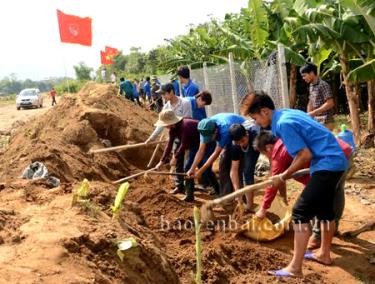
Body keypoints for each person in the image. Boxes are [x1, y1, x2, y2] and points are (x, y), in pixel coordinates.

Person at [246, 91, 347, 277]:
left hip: (328, 163)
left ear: (265, 111)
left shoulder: (283, 124)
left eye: (255, 118)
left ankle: (294, 268)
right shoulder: (288, 113)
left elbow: (304, 155)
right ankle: (324, 254)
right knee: (325, 210)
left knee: (300, 212)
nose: (257, 123)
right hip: (334, 160)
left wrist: (283, 175)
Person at [253, 131, 353, 249]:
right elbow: (280, 179)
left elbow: (273, 185)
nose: (266, 157)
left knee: (320, 198)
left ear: (268, 148)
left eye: (264, 154)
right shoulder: (284, 140)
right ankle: (332, 227)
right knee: (335, 192)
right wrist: (284, 198)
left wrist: (263, 209)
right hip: (343, 151)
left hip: (331, 159)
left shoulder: (278, 153)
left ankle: (317, 236)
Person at [154, 110, 219, 202]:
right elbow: (169, 144)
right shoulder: (173, 129)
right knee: (188, 168)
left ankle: (218, 190)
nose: (165, 126)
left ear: (171, 122)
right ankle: (189, 195)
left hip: (207, 143)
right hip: (194, 145)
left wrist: (175, 157)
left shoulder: (185, 126)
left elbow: (184, 145)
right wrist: (162, 161)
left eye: (165, 124)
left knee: (204, 167)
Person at [146, 83, 192, 194]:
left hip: (187, 136)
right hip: (176, 137)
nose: (163, 97)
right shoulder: (166, 107)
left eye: (164, 94)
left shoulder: (185, 103)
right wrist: (151, 139)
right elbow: (161, 125)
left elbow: (188, 120)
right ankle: (179, 186)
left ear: (171, 91)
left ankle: (190, 188)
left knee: (187, 163)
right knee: (178, 163)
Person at [186, 113, 246, 197]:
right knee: (223, 167)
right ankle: (226, 197)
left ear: (215, 131)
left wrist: (200, 171)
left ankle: (241, 197)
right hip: (228, 136)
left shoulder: (224, 130)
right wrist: (192, 169)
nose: (209, 140)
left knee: (236, 168)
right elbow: (200, 151)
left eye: (210, 137)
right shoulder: (204, 128)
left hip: (239, 134)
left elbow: (216, 153)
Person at [228, 124, 260, 210]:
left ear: (247, 134)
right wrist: (237, 193)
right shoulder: (235, 145)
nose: (241, 144)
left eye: (243, 141)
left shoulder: (255, 137)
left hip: (256, 145)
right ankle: (247, 204)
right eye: (238, 142)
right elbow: (233, 170)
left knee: (247, 171)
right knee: (243, 172)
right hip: (248, 146)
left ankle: (249, 206)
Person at [300, 63, 335, 130]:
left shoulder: (323, 85)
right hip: (316, 121)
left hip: (325, 121)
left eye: (304, 76)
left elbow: (330, 103)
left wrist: (313, 112)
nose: (303, 78)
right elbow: (311, 101)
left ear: (312, 73)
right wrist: (308, 116)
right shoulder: (311, 85)